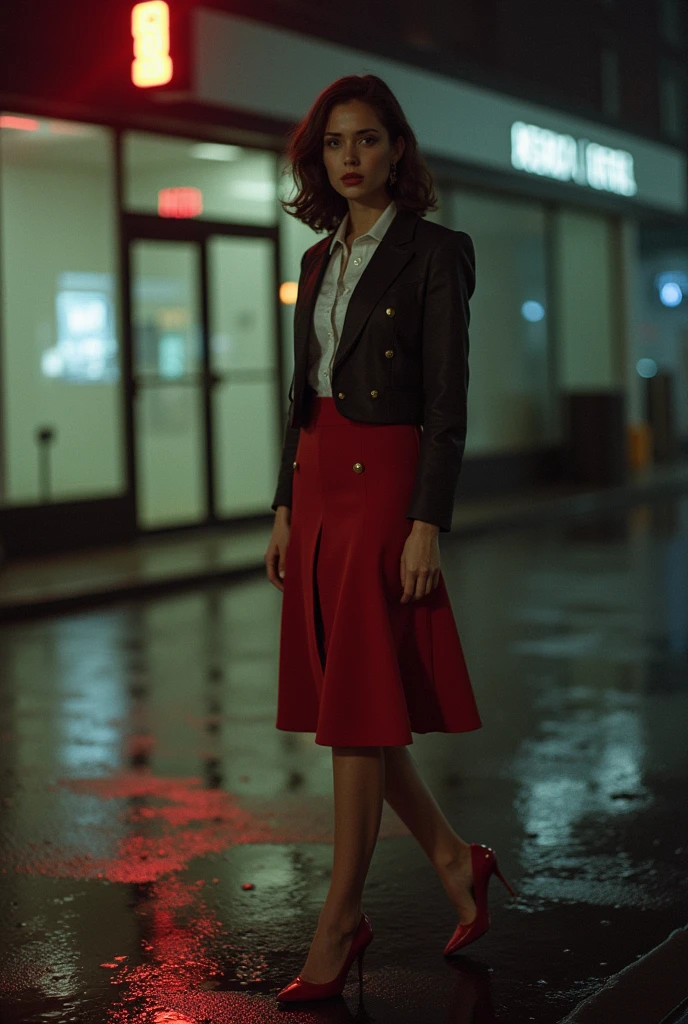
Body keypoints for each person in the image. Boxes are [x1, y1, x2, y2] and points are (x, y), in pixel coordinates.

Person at [264, 74, 516, 1004]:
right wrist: (283, 502)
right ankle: (455, 858)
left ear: (397, 149)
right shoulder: (322, 259)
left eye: (368, 140)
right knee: (355, 698)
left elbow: (447, 403)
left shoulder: (436, 253)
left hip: (385, 480)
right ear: (318, 159)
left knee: (356, 709)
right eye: (335, 144)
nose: (352, 157)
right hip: (320, 477)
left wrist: (426, 522)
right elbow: (301, 391)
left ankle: (340, 920)